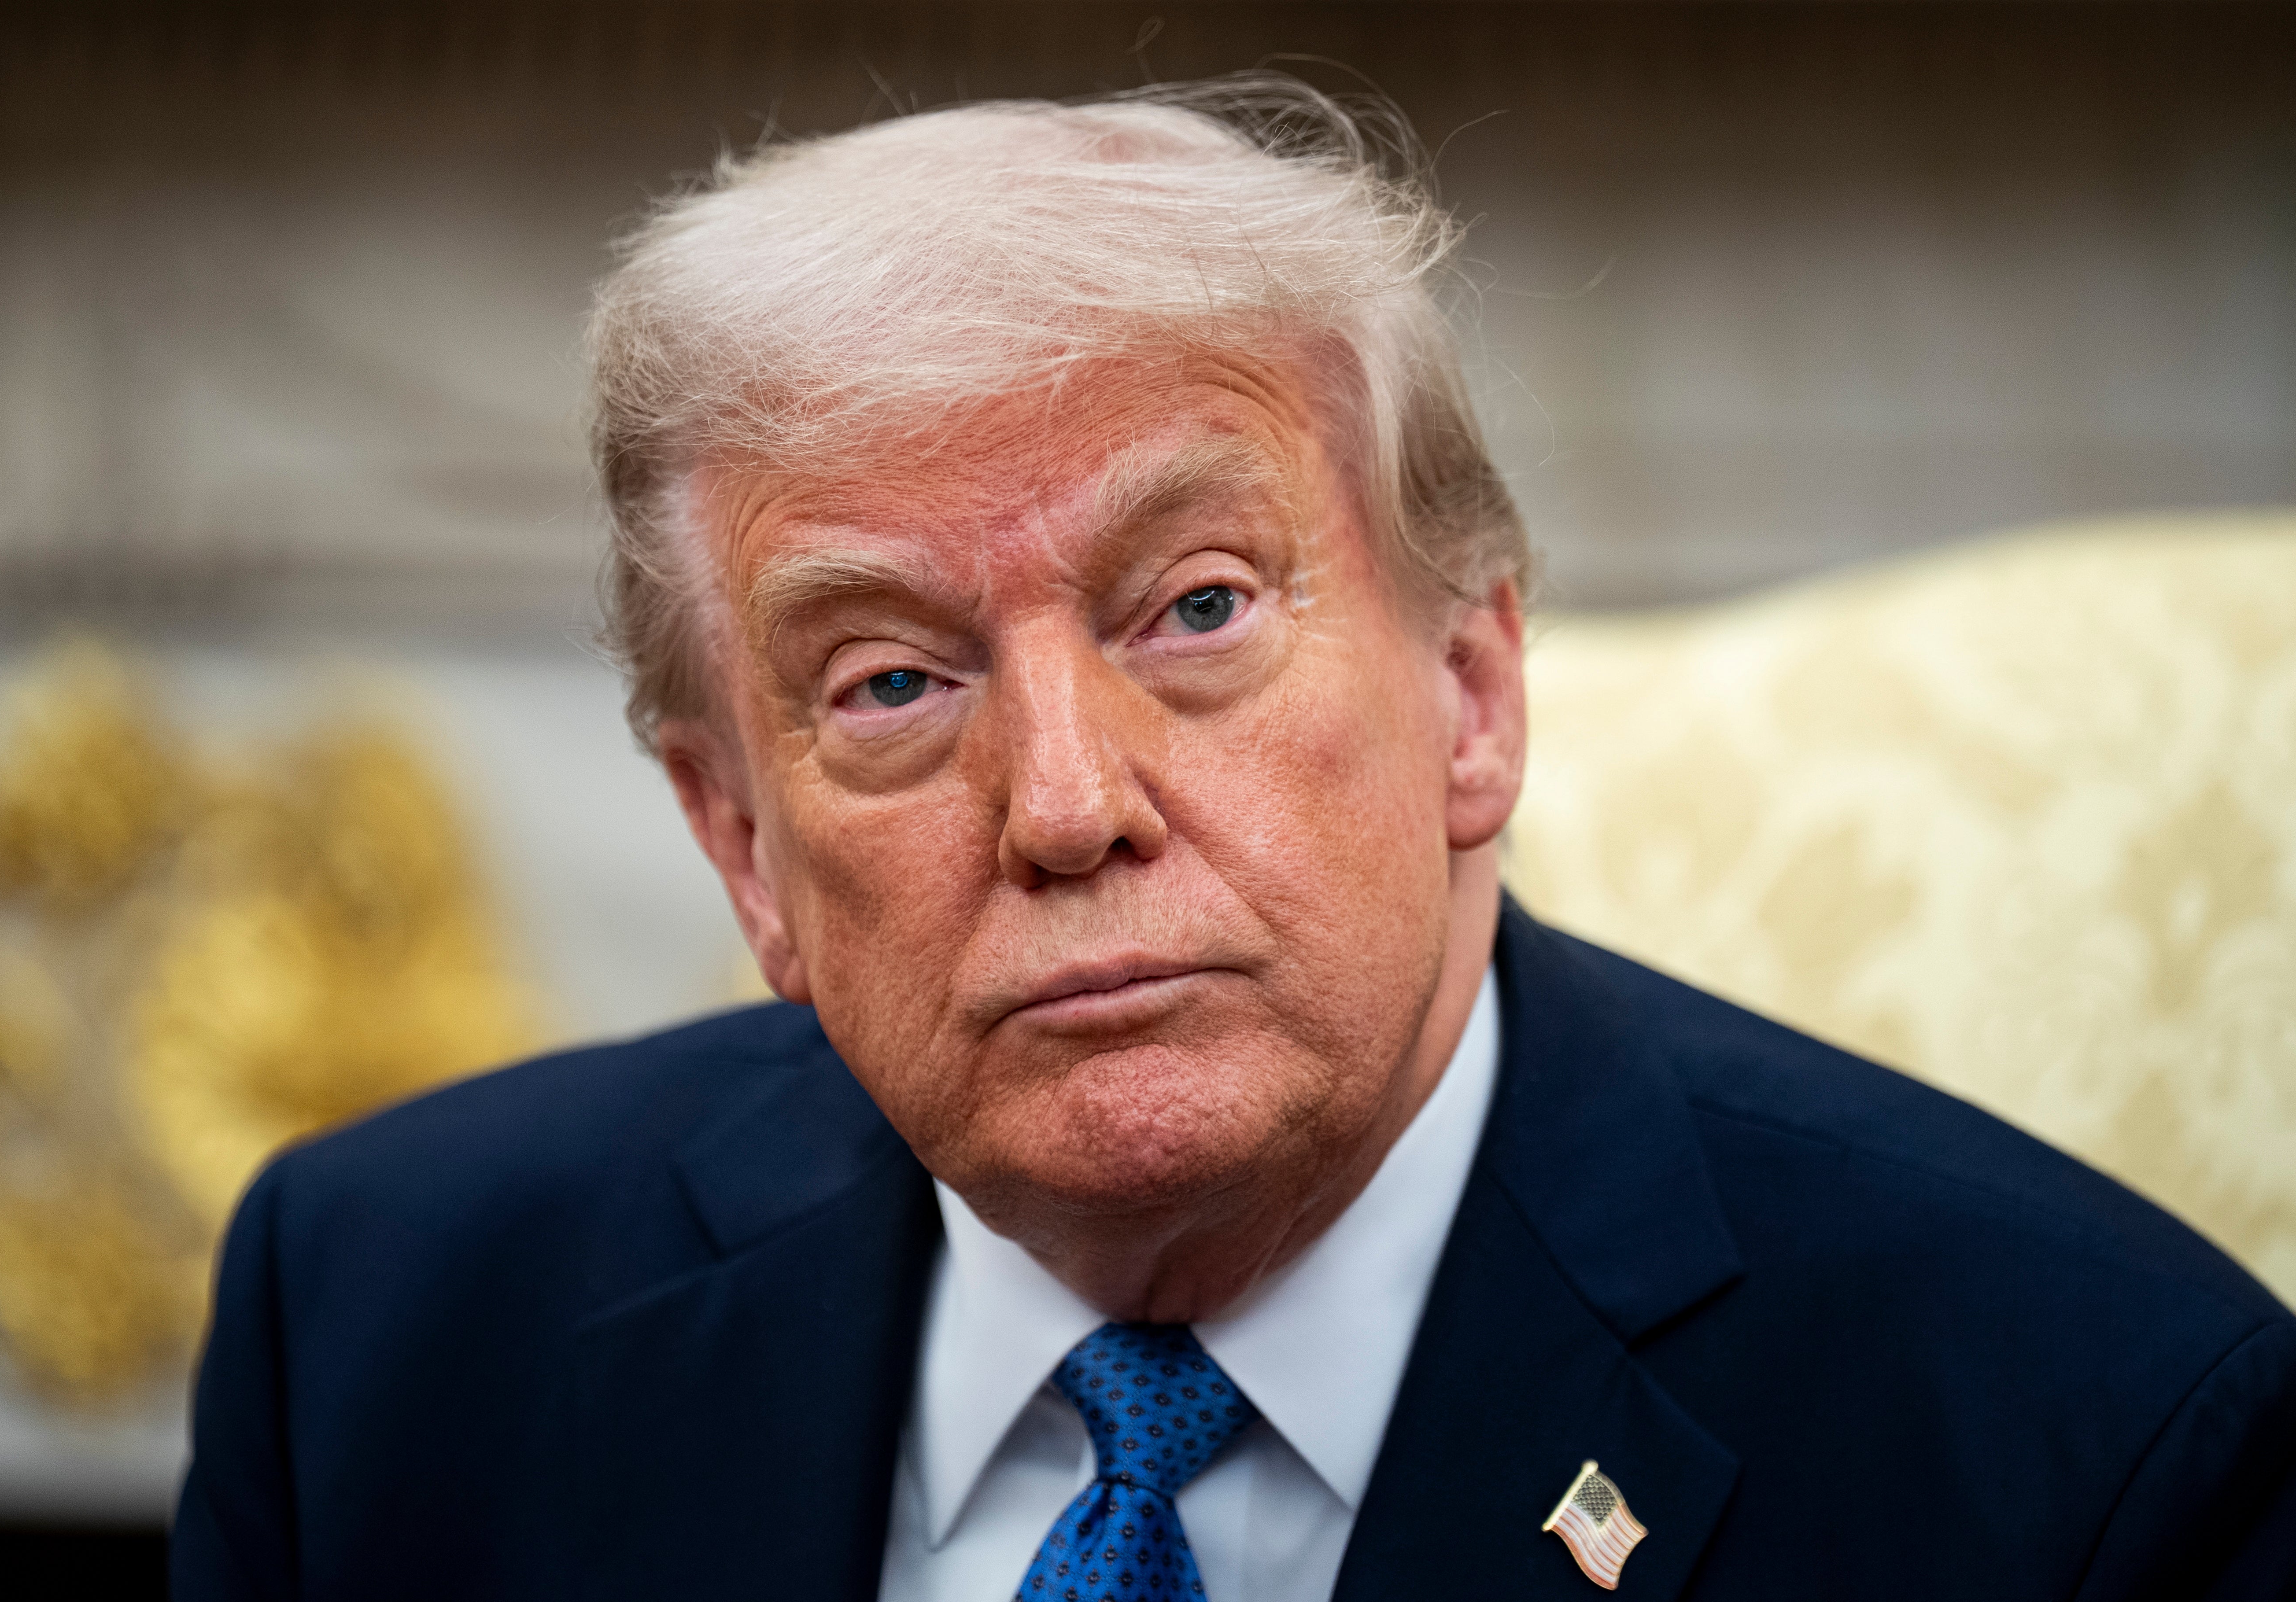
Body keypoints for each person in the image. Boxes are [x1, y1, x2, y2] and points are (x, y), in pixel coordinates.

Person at [171, 79, 2296, 1601]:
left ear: (1472, 693)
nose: (1071, 808)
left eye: (1196, 609)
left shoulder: (2094, 1447)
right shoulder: (376, 1331)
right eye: (893, 682)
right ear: (742, 845)